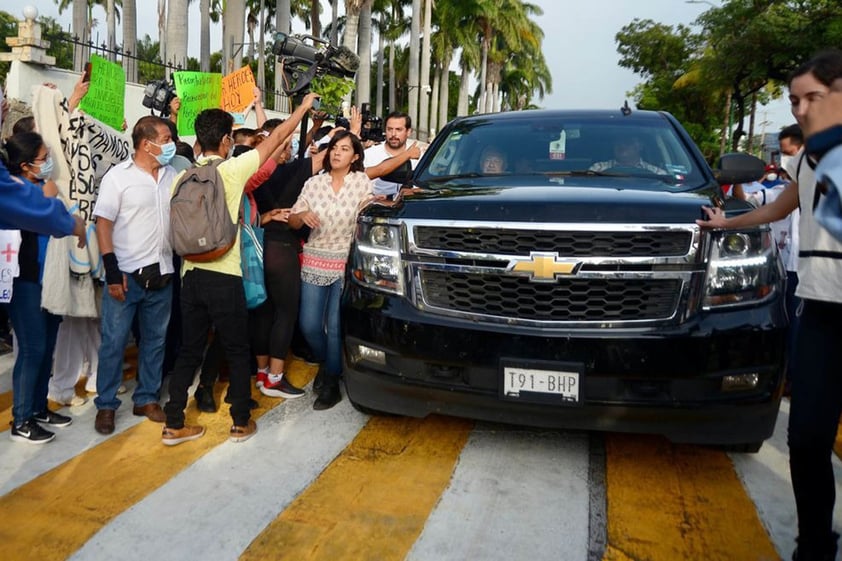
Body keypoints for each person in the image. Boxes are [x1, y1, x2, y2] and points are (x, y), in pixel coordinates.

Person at [696, 48, 842, 561]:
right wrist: (725, 224)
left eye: (813, 98)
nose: (800, 110)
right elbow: (780, 207)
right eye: (794, 100)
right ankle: (816, 544)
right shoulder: (808, 158)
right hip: (819, 311)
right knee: (805, 439)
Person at [162, 92, 320, 446]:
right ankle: (240, 422)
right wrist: (303, 108)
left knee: (189, 350)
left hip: (190, 276)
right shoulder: (232, 171)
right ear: (225, 141)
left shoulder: (182, 177)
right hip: (226, 273)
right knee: (235, 348)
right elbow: (277, 138)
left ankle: (174, 423)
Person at [91, 116, 178, 435]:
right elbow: (103, 224)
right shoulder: (118, 178)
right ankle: (106, 405)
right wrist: (112, 272)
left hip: (163, 274)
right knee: (114, 343)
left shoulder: (173, 175)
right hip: (126, 278)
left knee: (155, 342)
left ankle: (146, 398)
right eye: (166, 139)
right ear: (146, 144)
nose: (171, 144)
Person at [289, 130, 376, 410]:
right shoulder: (314, 183)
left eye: (343, 149)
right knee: (310, 325)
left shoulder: (360, 181)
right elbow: (292, 220)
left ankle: (330, 381)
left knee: (337, 325)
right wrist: (301, 216)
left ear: (355, 156)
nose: (336, 153)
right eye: (333, 148)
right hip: (315, 258)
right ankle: (330, 363)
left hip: (346, 259)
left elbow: (367, 206)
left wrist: (378, 203)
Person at [2, 131, 78, 443]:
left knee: (47, 347)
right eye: (43, 160)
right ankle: (21, 419)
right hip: (26, 281)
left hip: (52, 280)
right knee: (32, 348)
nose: (48, 165)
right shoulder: (16, 197)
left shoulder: (40, 189)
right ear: (24, 165)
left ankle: (38, 408)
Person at [363, 111, 418, 197]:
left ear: (409, 132)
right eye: (389, 129)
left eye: (398, 129)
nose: (393, 134)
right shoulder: (369, 155)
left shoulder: (418, 157)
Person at [590, 134, 666, 174]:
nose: (622, 146)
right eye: (618, 142)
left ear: (640, 146)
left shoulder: (657, 174)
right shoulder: (598, 169)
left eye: (628, 142)